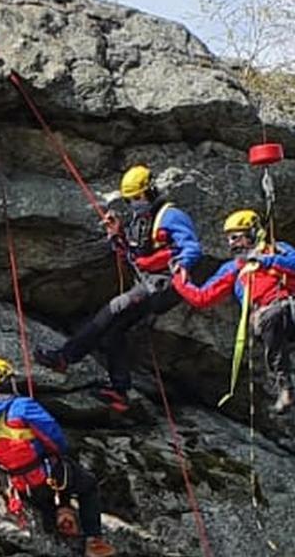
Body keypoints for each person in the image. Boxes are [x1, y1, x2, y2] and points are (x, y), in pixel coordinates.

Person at [34, 164, 202, 411]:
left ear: (150, 192)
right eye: (130, 200)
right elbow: (133, 254)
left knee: (114, 307)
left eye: (138, 198)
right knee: (115, 331)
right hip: (148, 282)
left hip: (166, 283)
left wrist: (182, 265)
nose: (135, 203)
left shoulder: (171, 216)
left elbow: (192, 248)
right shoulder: (139, 220)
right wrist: (117, 235)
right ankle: (119, 390)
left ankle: (64, 357)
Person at [171, 209, 295, 414]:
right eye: (229, 239)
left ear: (252, 233)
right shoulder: (233, 268)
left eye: (236, 237)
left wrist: (268, 259)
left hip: (291, 306)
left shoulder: (277, 250)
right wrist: (180, 281)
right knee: (272, 317)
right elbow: (203, 297)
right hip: (264, 314)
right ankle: (284, 389)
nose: (231, 244)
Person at [0, 358, 116, 557]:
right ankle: (93, 540)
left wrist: (4, 461)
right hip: (47, 475)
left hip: (21, 486)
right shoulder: (22, 406)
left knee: (49, 491)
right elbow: (55, 439)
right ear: (7, 381)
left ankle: (60, 516)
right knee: (87, 485)